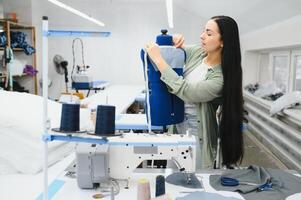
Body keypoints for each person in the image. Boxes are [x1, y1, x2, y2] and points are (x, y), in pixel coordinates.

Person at [145, 16, 244, 169]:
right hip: (176, 122)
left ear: (223, 41)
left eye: (209, 33)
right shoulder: (198, 53)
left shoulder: (220, 78)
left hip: (198, 131)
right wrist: (173, 40)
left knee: (194, 175)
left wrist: (158, 60)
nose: (202, 36)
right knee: (174, 173)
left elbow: (186, 91)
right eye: (203, 31)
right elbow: (174, 52)